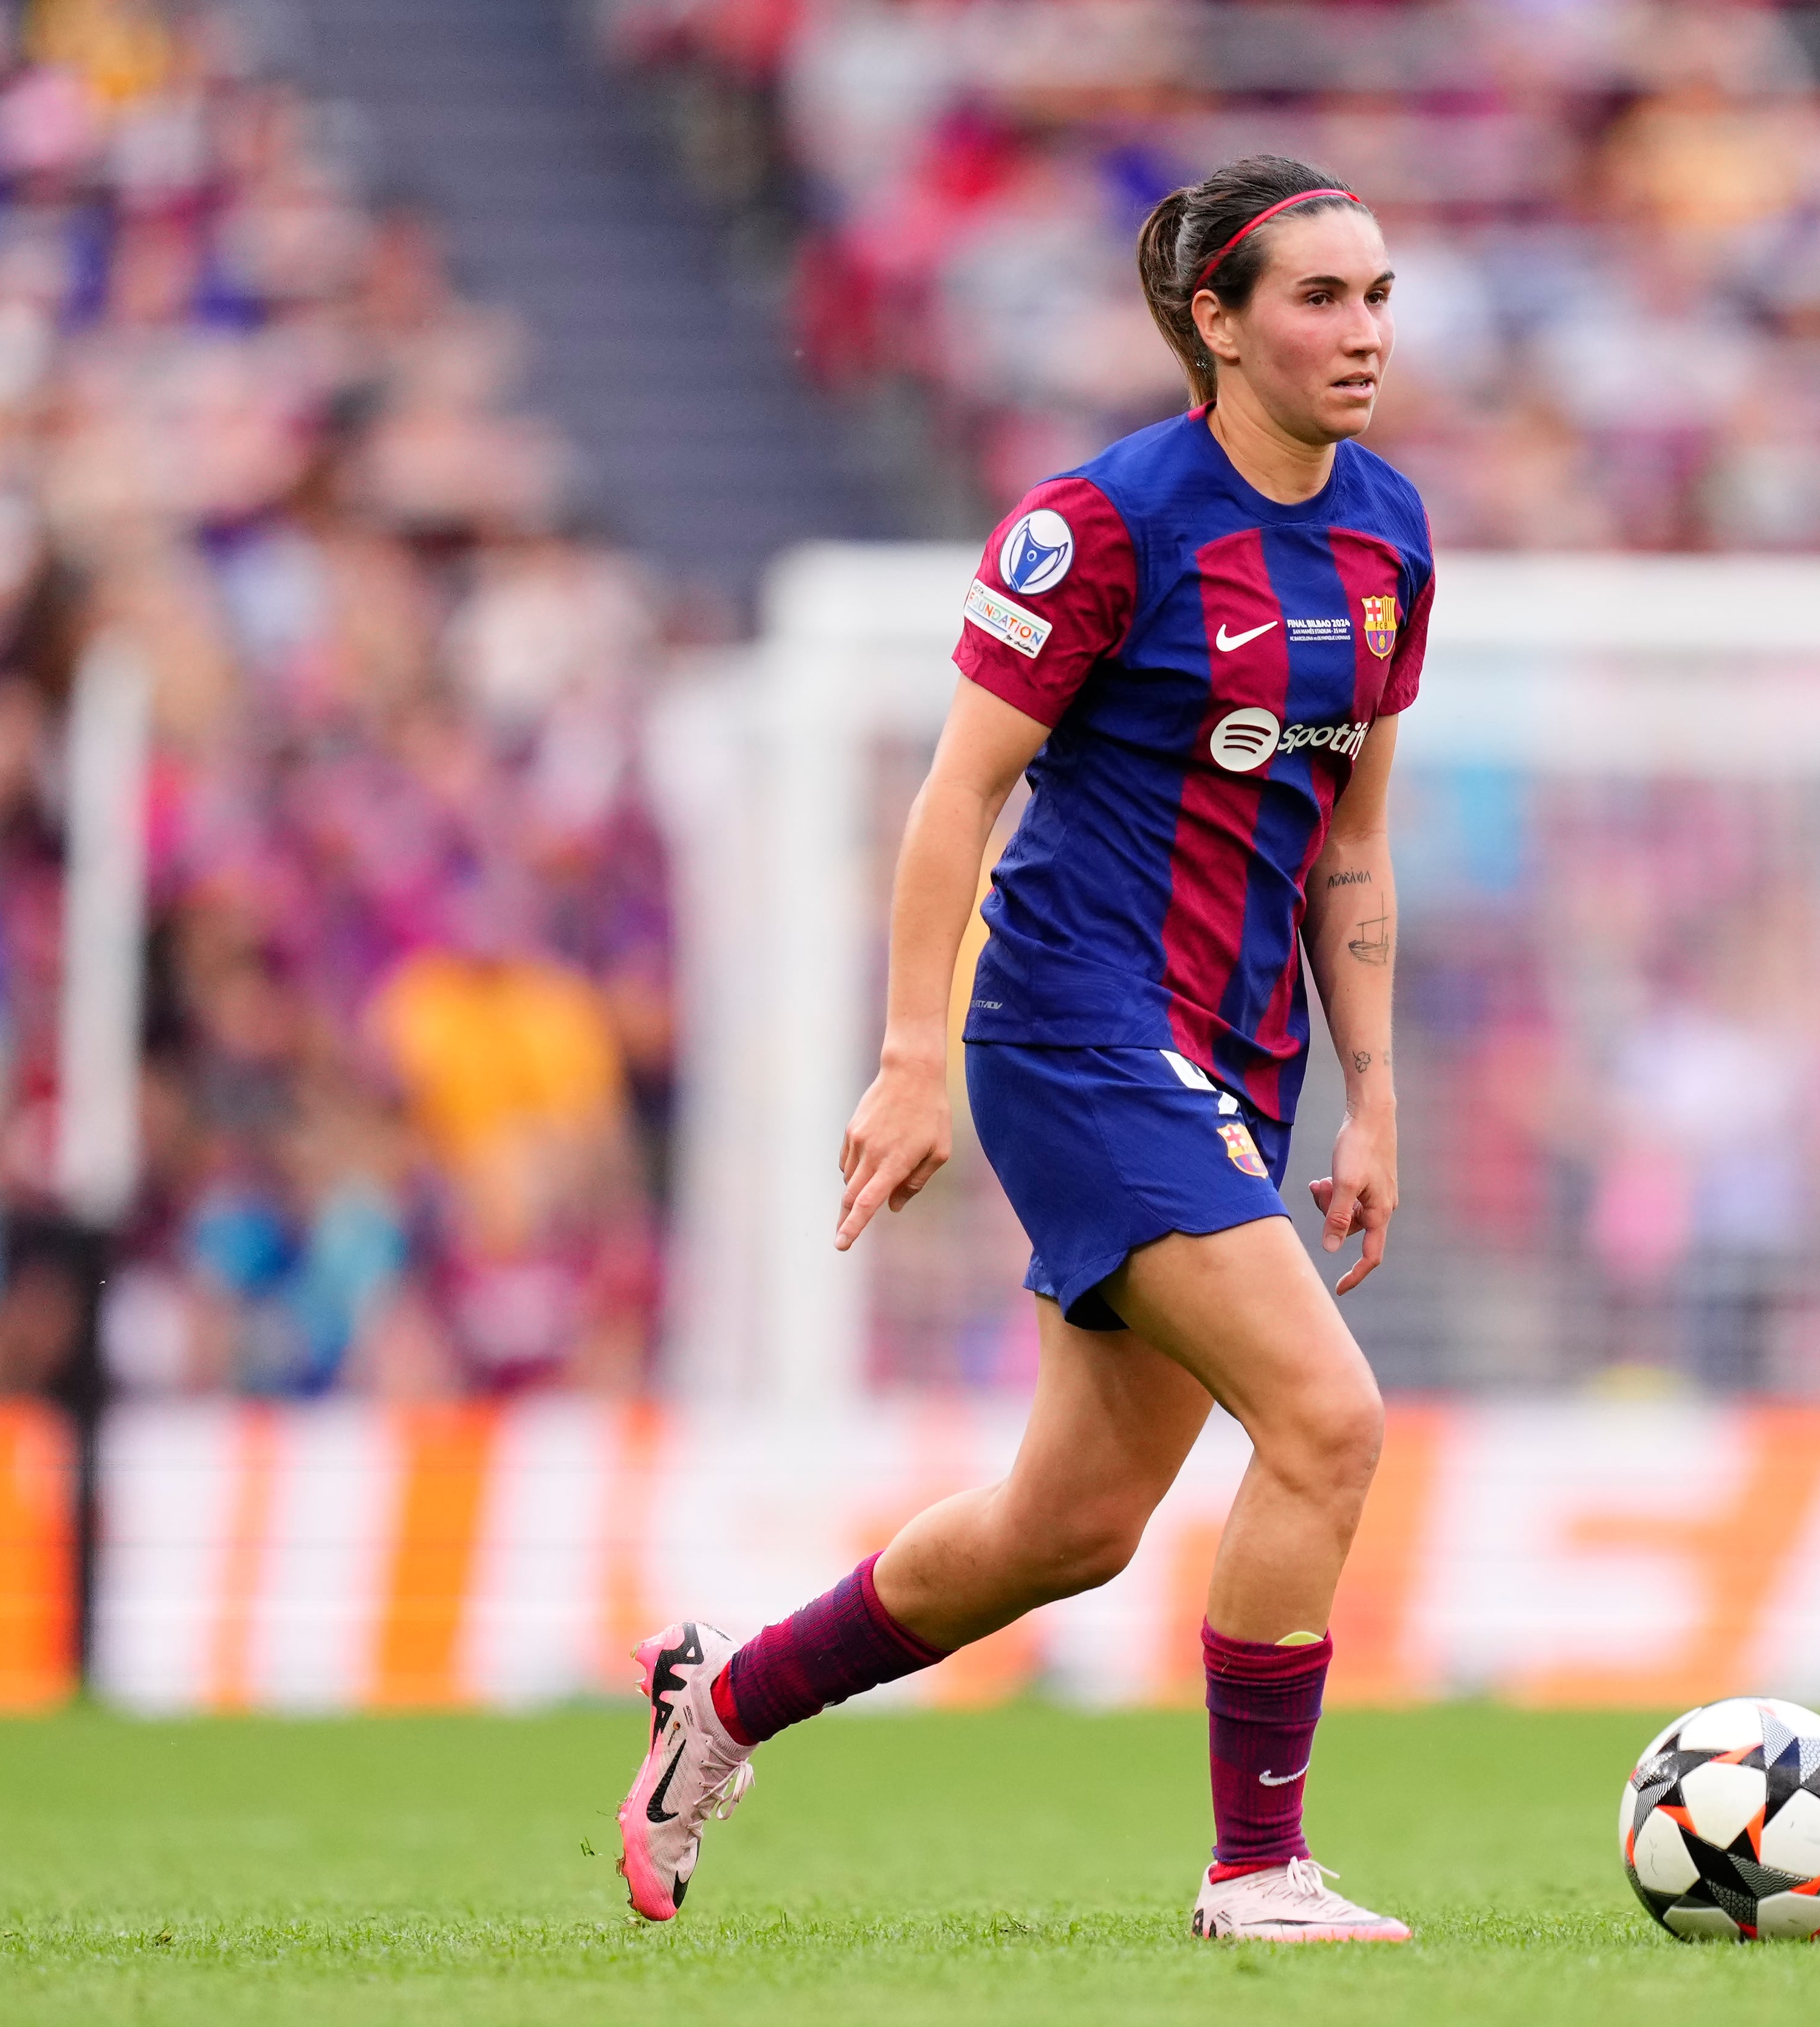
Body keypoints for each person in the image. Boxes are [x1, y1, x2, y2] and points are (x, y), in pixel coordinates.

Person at [614, 156, 1430, 1943]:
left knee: (1072, 1524)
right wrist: (912, 1055)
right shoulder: (1107, 523)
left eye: (1377, 295)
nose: (1362, 331)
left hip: (1243, 1058)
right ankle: (1258, 1871)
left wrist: (1370, 1096)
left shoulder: (1390, 534)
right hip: (1075, 1029)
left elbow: (1350, 844)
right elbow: (958, 794)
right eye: (1319, 297)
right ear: (1214, 322)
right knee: (1325, 1417)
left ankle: (723, 1703)